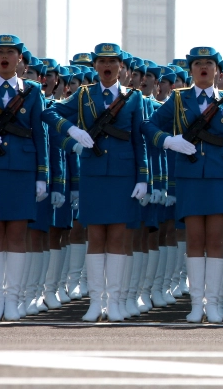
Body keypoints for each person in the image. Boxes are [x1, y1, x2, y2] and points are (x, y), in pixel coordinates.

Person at [143, 47, 223, 323]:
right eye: (198, 64)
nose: (203, 68)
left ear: (217, 70)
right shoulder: (178, 100)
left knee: (216, 239)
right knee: (194, 240)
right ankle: (195, 304)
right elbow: (149, 124)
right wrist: (167, 140)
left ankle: (212, 303)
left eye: (208, 64)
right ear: (191, 70)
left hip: (219, 178)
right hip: (189, 178)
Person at [53, 43, 150, 322]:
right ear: (95, 66)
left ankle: (115, 303)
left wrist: (143, 177)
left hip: (123, 176)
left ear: (121, 66)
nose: (107, 65)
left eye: (112, 60)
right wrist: (72, 140)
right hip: (93, 174)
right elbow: (51, 114)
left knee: (118, 238)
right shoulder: (83, 96)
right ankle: (96, 303)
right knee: (95, 237)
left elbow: (138, 140)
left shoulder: (133, 98)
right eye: (102, 60)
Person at [0, 35, 78, 321]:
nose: (4, 57)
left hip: (23, 170)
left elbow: (42, 135)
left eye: (10, 53)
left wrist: (42, 176)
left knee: (16, 234)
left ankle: (13, 299)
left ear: (20, 60)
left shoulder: (33, 92)